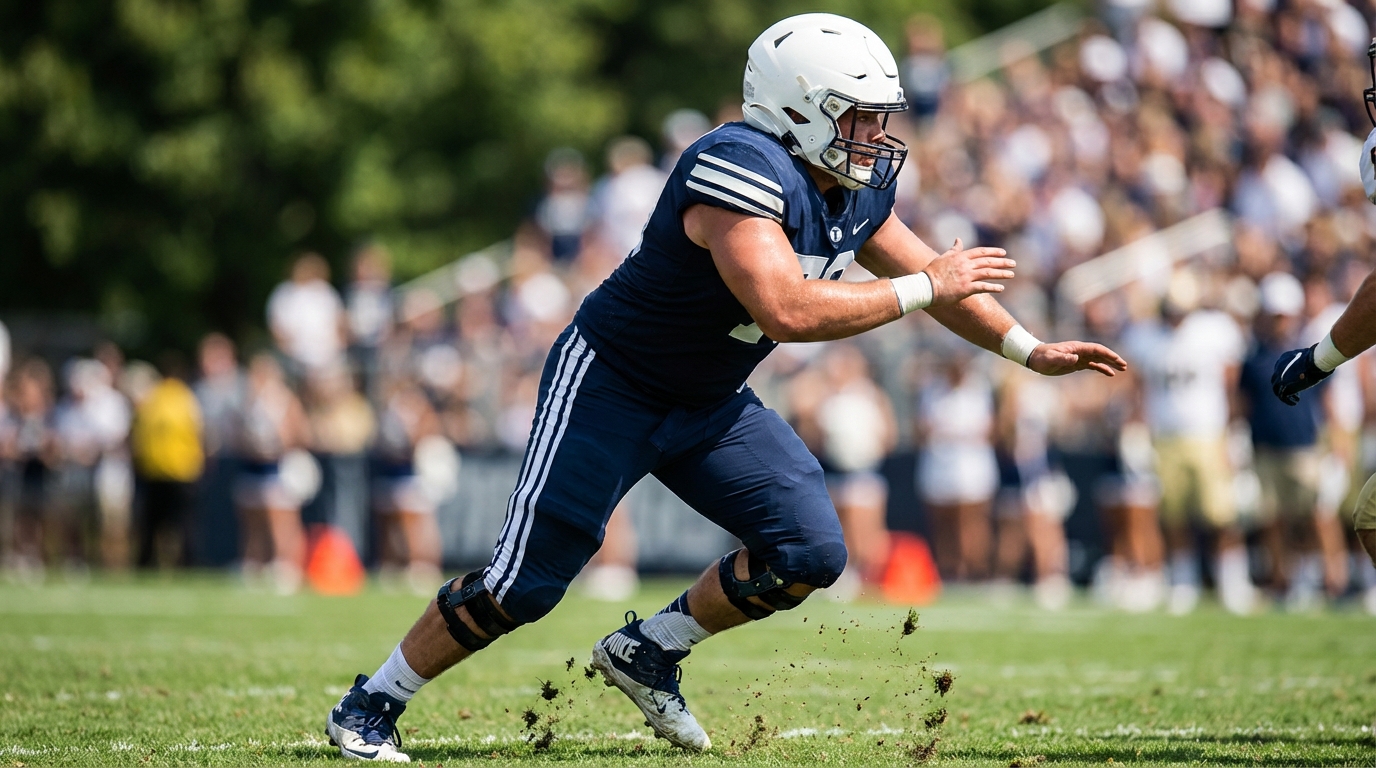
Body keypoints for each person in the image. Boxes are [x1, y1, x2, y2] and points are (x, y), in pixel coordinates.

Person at [323, 14, 1125, 762]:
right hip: (614, 382)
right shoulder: (737, 164)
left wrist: (1029, 348)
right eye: (859, 116)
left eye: (883, 117)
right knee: (524, 584)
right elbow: (788, 306)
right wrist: (927, 288)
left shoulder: (853, 187)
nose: (878, 137)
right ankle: (371, 703)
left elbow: (931, 276)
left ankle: (649, 649)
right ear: (798, 109)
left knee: (809, 548)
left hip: (709, 399)